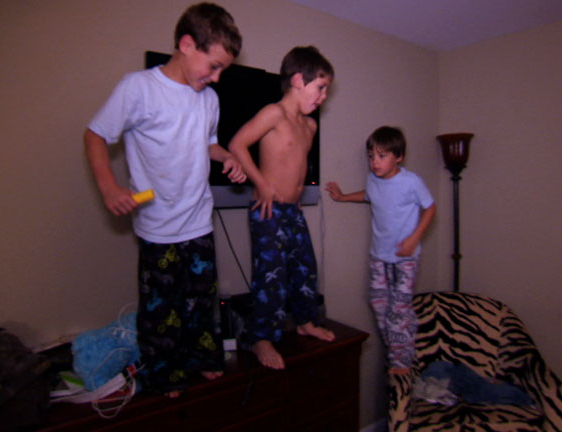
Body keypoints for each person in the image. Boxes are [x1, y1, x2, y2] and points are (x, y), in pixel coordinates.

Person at [84, 2, 246, 396]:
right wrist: (109, 188)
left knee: (201, 301)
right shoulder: (138, 88)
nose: (217, 77)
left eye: (222, 70)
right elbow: (95, 134)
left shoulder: (209, 99)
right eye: (214, 66)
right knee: (162, 310)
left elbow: (208, 144)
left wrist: (227, 156)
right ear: (187, 44)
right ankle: (165, 374)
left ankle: (202, 359)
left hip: (199, 220)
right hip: (158, 227)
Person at [228, 46, 336, 370]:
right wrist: (261, 183)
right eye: (321, 87)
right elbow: (237, 144)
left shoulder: (310, 126)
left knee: (305, 267)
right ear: (299, 80)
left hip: (292, 210)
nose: (324, 96)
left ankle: (305, 321)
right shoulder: (273, 113)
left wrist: (297, 194)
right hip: (268, 208)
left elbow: (295, 164)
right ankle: (260, 338)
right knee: (270, 273)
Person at [325, 126, 435, 375]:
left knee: (398, 310)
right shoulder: (373, 179)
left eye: (382, 156)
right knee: (377, 302)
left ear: (399, 156)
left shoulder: (411, 182)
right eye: (371, 156)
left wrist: (414, 238)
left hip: (405, 258)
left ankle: (401, 362)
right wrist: (342, 197)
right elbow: (369, 195)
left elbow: (430, 208)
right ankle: (401, 342)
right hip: (379, 256)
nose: (375, 162)